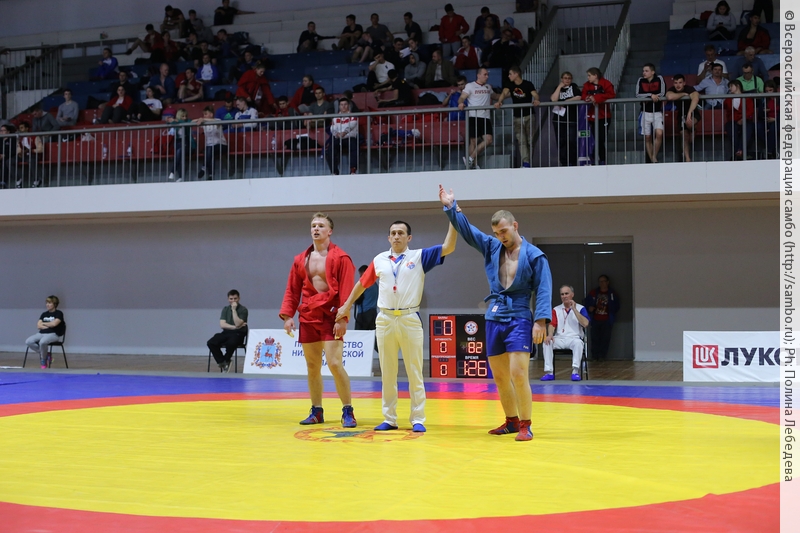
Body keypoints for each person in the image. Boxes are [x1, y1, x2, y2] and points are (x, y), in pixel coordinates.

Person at [439, 185, 552, 441]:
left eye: (504, 231)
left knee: (518, 374)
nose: (501, 236)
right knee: (500, 376)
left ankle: (526, 424)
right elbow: (468, 232)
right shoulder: (491, 247)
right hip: (494, 316)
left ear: (515, 226)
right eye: (496, 233)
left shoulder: (535, 256)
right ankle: (511, 421)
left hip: (519, 316)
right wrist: (451, 207)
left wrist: (540, 321)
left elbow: (544, 289)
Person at [336, 220, 457, 433]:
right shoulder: (379, 260)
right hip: (385, 319)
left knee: (414, 370)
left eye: (401, 233)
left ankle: (418, 419)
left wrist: (453, 220)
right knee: (388, 371)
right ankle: (389, 418)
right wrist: (346, 306)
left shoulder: (419, 256)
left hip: (409, 318)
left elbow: (448, 247)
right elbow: (362, 284)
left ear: (409, 238)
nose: (396, 236)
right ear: (388, 237)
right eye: (393, 233)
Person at [279, 212, 357, 427]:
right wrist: (288, 316)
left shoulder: (341, 258)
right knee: (312, 366)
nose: (316, 229)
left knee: (334, 363)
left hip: (332, 316)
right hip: (308, 316)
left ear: (329, 231)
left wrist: (343, 318)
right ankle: (317, 410)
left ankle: (348, 410)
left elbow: (347, 291)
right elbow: (292, 289)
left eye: (321, 225)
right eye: (313, 225)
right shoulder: (300, 259)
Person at [541, 285, 590, 382]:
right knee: (547, 342)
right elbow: (552, 324)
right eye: (562, 294)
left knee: (578, 344)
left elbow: (585, 323)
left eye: (566, 293)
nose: (564, 296)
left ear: (572, 294)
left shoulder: (581, 308)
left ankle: (575, 372)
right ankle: (549, 372)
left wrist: (574, 309)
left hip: (574, 338)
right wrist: (550, 335)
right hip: (560, 338)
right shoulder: (556, 309)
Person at [496, 65, 539, 168]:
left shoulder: (528, 84)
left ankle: (528, 161)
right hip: (517, 117)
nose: (509, 76)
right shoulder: (509, 84)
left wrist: (536, 100)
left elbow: (535, 94)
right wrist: (499, 101)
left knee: (530, 140)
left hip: (529, 115)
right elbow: (504, 93)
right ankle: (526, 162)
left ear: (516, 74)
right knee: (521, 141)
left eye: (510, 74)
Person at [459, 67, 499, 169]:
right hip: (474, 116)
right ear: (478, 75)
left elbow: (495, 96)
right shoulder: (470, 86)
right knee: (473, 141)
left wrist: (509, 94)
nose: (487, 76)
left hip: (486, 117)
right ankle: (474, 165)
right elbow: (462, 97)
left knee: (489, 140)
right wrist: (461, 103)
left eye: (487, 75)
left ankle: (470, 158)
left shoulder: (488, 87)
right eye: (485, 74)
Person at [724, 79, 766, 159]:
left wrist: (743, 119)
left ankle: (740, 150)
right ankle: (738, 151)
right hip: (733, 121)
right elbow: (727, 108)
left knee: (748, 127)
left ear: (737, 86)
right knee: (730, 128)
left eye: (731, 86)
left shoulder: (747, 98)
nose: (730, 88)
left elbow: (750, 111)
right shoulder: (728, 99)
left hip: (746, 120)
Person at [207, 290, 247, 372]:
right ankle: (223, 362)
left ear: (239, 298)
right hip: (227, 332)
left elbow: (238, 323)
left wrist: (234, 310)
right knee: (211, 342)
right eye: (231, 299)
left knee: (231, 343)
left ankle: (227, 359)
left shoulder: (243, 310)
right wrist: (235, 327)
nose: (233, 301)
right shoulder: (225, 309)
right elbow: (222, 325)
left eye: (235, 298)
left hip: (239, 333)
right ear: (228, 299)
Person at [582, 67, 615, 165]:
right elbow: (583, 95)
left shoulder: (606, 84)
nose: (588, 77)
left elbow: (611, 95)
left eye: (589, 75)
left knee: (601, 138)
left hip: (604, 116)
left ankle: (599, 158)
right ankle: (598, 158)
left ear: (595, 76)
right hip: (592, 116)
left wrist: (596, 98)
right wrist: (588, 98)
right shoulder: (586, 85)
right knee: (595, 138)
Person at [584, 274, 619, 362]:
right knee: (594, 338)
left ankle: (602, 356)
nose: (602, 283)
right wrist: (589, 308)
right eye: (600, 282)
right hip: (595, 319)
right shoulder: (593, 293)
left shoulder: (612, 294)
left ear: (607, 282)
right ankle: (594, 356)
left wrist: (611, 310)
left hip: (607, 320)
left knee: (605, 339)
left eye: (604, 281)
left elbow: (616, 305)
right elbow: (586, 303)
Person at [666, 74, 701, 162]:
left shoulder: (689, 88)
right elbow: (670, 96)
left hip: (693, 112)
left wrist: (689, 113)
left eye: (680, 83)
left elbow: (695, 98)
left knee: (689, 124)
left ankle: (693, 129)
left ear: (684, 83)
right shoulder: (672, 89)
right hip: (681, 115)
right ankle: (687, 158)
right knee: (684, 136)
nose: (678, 85)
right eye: (676, 83)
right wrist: (683, 94)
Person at [635, 63, 666, 164]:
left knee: (659, 133)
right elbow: (638, 95)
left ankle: (653, 156)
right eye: (643, 71)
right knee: (647, 137)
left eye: (646, 71)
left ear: (653, 72)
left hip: (657, 112)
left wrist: (651, 96)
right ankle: (653, 159)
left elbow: (662, 93)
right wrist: (651, 95)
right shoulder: (640, 80)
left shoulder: (659, 78)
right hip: (645, 112)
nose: (644, 73)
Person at [551, 71, 582, 167]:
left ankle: (573, 161)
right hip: (559, 119)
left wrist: (565, 101)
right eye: (565, 78)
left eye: (569, 78)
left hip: (571, 118)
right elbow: (553, 99)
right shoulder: (557, 88)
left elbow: (579, 97)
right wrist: (559, 87)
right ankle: (564, 162)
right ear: (562, 79)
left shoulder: (574, 86)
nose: (567, 80)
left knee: (572, 140)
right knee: (561, 141)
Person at [26, 296, 66, 369]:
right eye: (47, 303)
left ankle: (43, 360)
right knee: (29, 341)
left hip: (53, 334)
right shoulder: (44, 314)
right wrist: (48, 325)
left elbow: (54, 324)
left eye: (50, 303)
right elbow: (38, 325)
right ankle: (47, 355)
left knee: (42, 342)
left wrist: (44, 323)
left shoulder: (59, 313)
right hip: (41, 333)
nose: (47, 304)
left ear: (55, 304)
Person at [325, 99, 359, 175]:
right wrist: (336, 134)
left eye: (345, 104)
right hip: (338, 138)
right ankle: (334, 171)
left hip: (350, 138)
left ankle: (353, 170)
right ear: (339, 106)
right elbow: (333, 128)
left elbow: (352, 125)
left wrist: (345, 132)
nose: (343, 106)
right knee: (330, 149)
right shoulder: (335, 117)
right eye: (341, 105)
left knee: (354, 147)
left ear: (348, 106)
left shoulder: (353, 116)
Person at [195, 106, 229, 179]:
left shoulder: (217, 120)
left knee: (210, 149)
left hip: (221, 145)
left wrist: (203, 119)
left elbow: (217, 122)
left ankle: (204, 168)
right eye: (203, 114)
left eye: (206, 114)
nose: (204, 116)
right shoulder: (204, 122)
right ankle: (211, 175)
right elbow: (192, 122)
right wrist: (200, 119)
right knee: (209, 151)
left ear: (211, 114)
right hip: (209, 146)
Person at [168, 108, 195, 181]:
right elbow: (168, 123)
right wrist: (170, 120)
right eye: (182, 116)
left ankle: (173, 171)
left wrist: (178, 121)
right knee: (179, 154)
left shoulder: (187, 121)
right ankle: (180, 177)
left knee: (180, 151)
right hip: (178, 142)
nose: (185, 118)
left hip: (187, 142)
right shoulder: (175, 123)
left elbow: (190, 122)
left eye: (185, 116)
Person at [353, 265, 378, 331]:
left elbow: (356, 297)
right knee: (372, 334)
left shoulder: (364, 285)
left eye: (361, 275)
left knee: (359, 334)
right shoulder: (375, 285)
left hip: (364, 313)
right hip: (373, 312)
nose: (360, 277)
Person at [0, 124, 17, 189]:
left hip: (10, 156)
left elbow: (13, 150)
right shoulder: (0, 140)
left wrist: (4, 155)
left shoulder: (12, 139)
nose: (2, 132)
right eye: (1, 130)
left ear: (8, 131)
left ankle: (3, 182)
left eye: (3, 130)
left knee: (5, 162)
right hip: (1, 157)